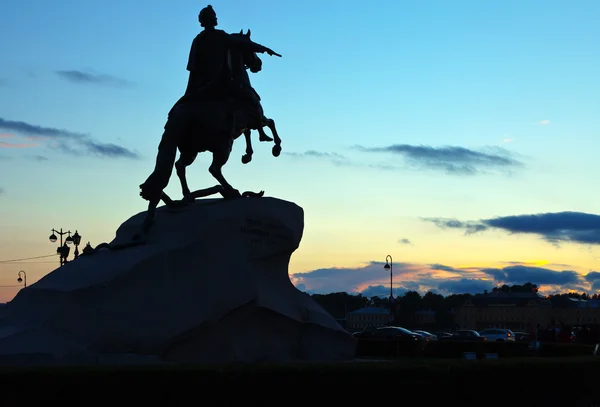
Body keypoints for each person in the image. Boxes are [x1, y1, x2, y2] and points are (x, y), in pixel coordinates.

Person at [172, 5, 281, 112]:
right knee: (244, 98)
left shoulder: (197, 39)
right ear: (212, 19)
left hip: (198, 84)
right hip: (218, 81)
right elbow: (243, 44)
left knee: (179, 106)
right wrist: (265, 49)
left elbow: (192, 66)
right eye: (214, 16)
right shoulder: (220, 35)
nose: (216, 18)